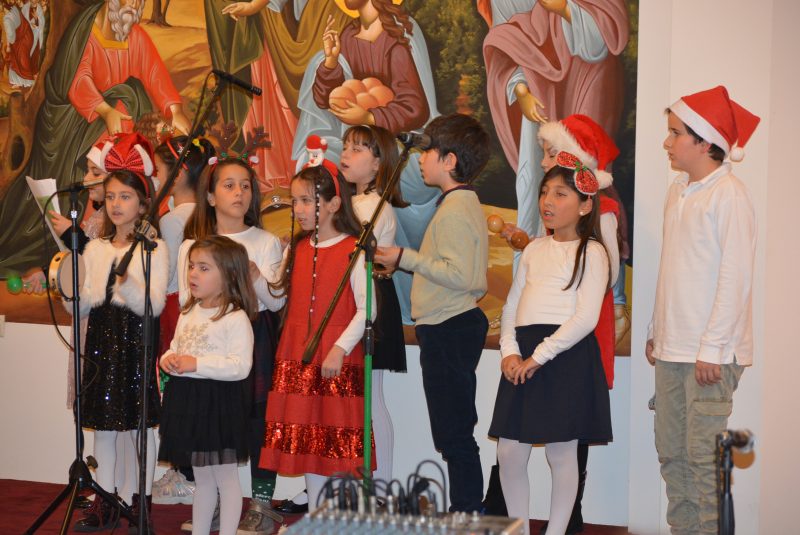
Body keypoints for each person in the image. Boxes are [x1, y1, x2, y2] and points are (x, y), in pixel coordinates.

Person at [496, 113, 621, 533]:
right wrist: (510, 352)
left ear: (585, 205)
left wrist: (539, 356)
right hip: (524, 355)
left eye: (561, 194)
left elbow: (585, 318)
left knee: (561, 454)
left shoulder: (593, 252)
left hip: (564, 356)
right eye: (545, 192)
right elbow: (512, 306)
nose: (548, 201)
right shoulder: (534, 250)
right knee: (509, 453)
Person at [0, 0, 191, 273]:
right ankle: (90, 226)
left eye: (139, 0)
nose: (134, 4)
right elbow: (76, 80)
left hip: (116, 121)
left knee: (128, 97)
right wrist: (104, 110)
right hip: (73, 123)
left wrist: (175, 109)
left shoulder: (135, 36)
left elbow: (154, 73)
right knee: (123, 104)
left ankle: (118, 221)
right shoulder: (85, 32)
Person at [648, 86, 758, 534]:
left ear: (704, 140)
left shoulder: (729, 194)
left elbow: (736, 276)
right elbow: (673, 268)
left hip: (709, 357)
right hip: (673, 350)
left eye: (675, 133)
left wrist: (712, 348)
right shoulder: (678, 191)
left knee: (702, 461)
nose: (667, 142)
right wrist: (656, 329)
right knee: (672, 456)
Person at [374, 113, 490, 513]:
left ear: (449, 161)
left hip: (449, 327)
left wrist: (404, 257)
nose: (420, 159)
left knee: (455, 432)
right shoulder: (458, 203)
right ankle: (465, 510)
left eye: (428, 152)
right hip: (447, 326)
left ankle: (467, 512)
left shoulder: (456, 208)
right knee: (453, 430)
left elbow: (460, 275)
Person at [65, 133, 168, 531]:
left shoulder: (153, 248)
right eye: (110, 197)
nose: (116, 204)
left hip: (135, 346)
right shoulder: (96, 248)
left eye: (125, 196)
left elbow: (154, 303)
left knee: (140, 428)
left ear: (142, 203)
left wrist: (128, 282)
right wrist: (69, 288)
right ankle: (105, 501)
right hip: (101, 347)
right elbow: (85, 304)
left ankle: (141, 501)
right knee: (103, 430)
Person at [178, 155, 286, 535]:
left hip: (253, 337)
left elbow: (276, 302)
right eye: (229, 185)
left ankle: (261, 503)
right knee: (212, 420)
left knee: (257, 421)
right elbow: (186, 300)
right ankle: (217, 502)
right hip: (206, 340)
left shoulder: (266, 241)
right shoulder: (192, 245)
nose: (239, 192)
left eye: (245, 185)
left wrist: (253, 276)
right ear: (210, 196)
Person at [259, 162, 375, 509]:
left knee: (335, 439)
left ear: (335, 204)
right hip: (297, 352)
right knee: (306, 440)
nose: (299, 209)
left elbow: (367, 309)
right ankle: (315, 514)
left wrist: (340, 348)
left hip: (335, 355)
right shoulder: (296, 248)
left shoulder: (354, 249)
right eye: (295, 201)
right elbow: (277, 298)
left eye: (308, 201)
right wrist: (252, 275)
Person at [159, 236, 258, 535]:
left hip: (219, 404)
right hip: (189, 402)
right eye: (192, 266)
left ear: (228, 274)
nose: (193, 274)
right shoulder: (188, 312)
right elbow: (176, 346)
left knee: (225, 479)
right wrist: (167, 359)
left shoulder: (235, 317)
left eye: (204, 268)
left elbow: (240, 366)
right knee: (202, 479)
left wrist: (197, 364)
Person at [340, 124, 407, 492]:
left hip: (370, 297)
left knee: (369, 396)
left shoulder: (372, 206)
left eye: (358, 149)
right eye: (346, 146)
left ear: (379, 164)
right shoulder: (352, 203)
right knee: (348, 398)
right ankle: (340, 477)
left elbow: (354, 259)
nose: (346, 154)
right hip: (350, 297)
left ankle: (380, 486)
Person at [150, 135, 216, 506]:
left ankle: (186, 475)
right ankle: (190, 473)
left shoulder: (174, 220)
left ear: (177, 175)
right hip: (197, 310)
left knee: (175, 391)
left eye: (160, 172)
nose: (157, 179)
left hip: (176, 309)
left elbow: (168, 277)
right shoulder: (205, 214)